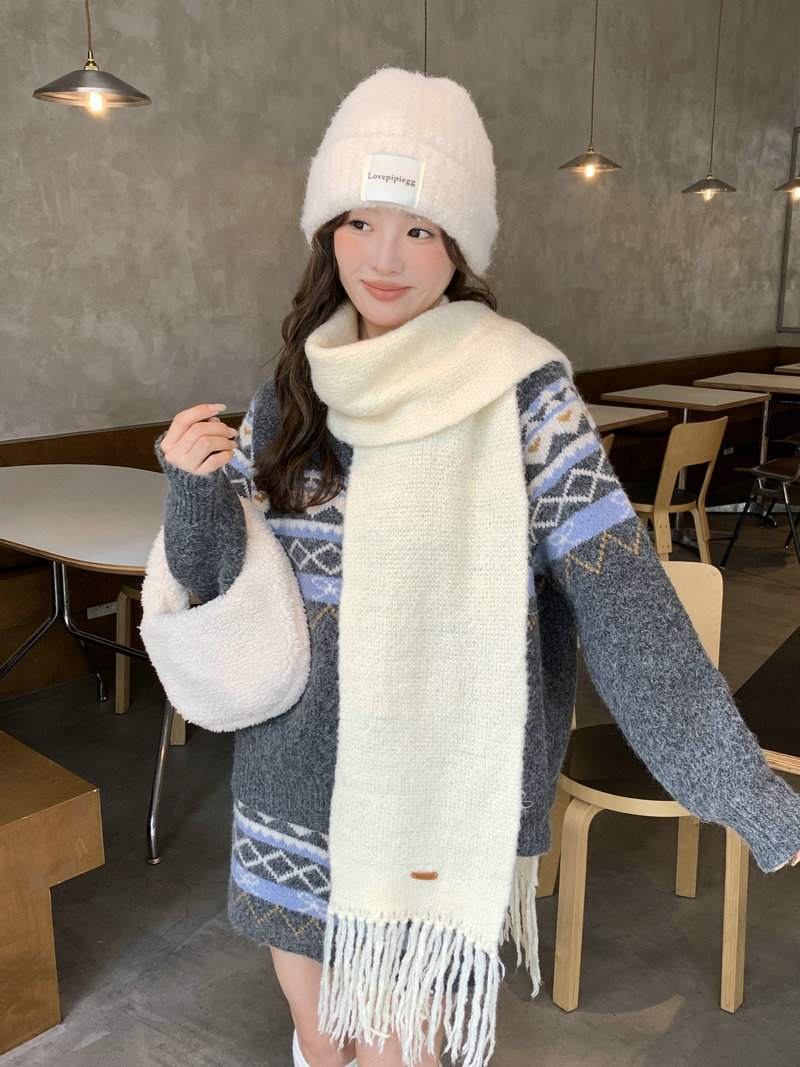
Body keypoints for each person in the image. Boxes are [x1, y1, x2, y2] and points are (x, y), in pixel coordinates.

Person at [156, 68, 800, 1067]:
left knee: (403, 1050)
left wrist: (743, 786)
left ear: (458, 245)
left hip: (433, 796)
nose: (384, 257)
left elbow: (629, 610)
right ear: (328, 231)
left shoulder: (523, 399)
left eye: (419, 228)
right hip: (291, 786)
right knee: (323, 1042)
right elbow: (220, 592)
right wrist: (193, 490)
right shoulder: (293, 392)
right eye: (360, 221)